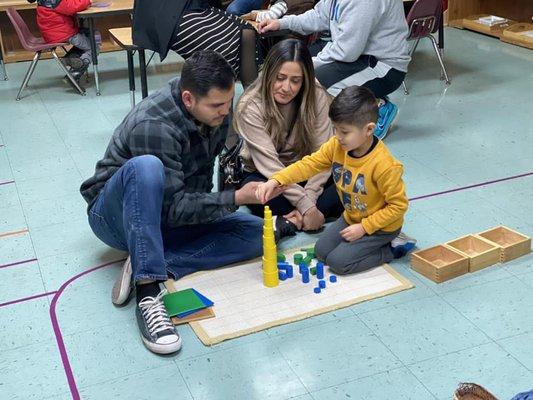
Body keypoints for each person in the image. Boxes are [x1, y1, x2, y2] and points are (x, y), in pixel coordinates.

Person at [80, 51, 273, 355]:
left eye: (228, 101)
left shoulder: (214, 107)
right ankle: (147, 290)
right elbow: (172, 209)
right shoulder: (155, 124)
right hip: (115, 219)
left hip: (165, 215)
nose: (226, 111)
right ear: (188, 99)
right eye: (217, 106)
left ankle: (152, 260)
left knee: (259, 233)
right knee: (146, 167)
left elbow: (195, 190)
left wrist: (229, 200)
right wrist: (235, 197)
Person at [256, 86, 416, 275]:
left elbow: (398, 206)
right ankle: (365, 240)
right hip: (352, 217)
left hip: (381, 228)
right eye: (335, 129)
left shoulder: (385, 166)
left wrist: (364, 228)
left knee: (338, 263)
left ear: (369, 129)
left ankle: (393, 247)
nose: (337, 137)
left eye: (344, 132)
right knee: (321, 252)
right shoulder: (337, 145)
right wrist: (277, 180)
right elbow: (310, 164)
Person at [234, 39, 344, 240]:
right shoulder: (250, 105)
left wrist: (308, 199)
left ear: (305, 80)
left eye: (295, 81)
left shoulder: (316, 95)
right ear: (268, 73)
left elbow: (325, 154)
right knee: (262, 196)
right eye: (280, 78)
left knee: (350, 183)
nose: (286, 87)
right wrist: (308, 207)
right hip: (268, 176)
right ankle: (308, 215)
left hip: (307, 170)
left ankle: (291, 220)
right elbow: (271, 167)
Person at [259, 0, 411, 139]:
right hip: (357, 53)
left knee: (315, 83)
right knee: (295, 58)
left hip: (383, 66)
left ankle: (376, 108)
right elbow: (319, 15)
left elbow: (346, 52)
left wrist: (304, 66)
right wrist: (281, 23)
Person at [133, 0, 259, 87]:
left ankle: (253, 107)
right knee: (224, 47)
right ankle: (222, 116)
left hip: (196, 7)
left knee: (246, 32)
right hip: (166, 12)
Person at [27, 0, 100, 81]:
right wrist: (88, 1)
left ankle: (70, 58)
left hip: (55, 32)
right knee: (94, 47)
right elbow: (72, 7)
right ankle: (74, 75)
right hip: (62, 33)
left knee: (91, 33)